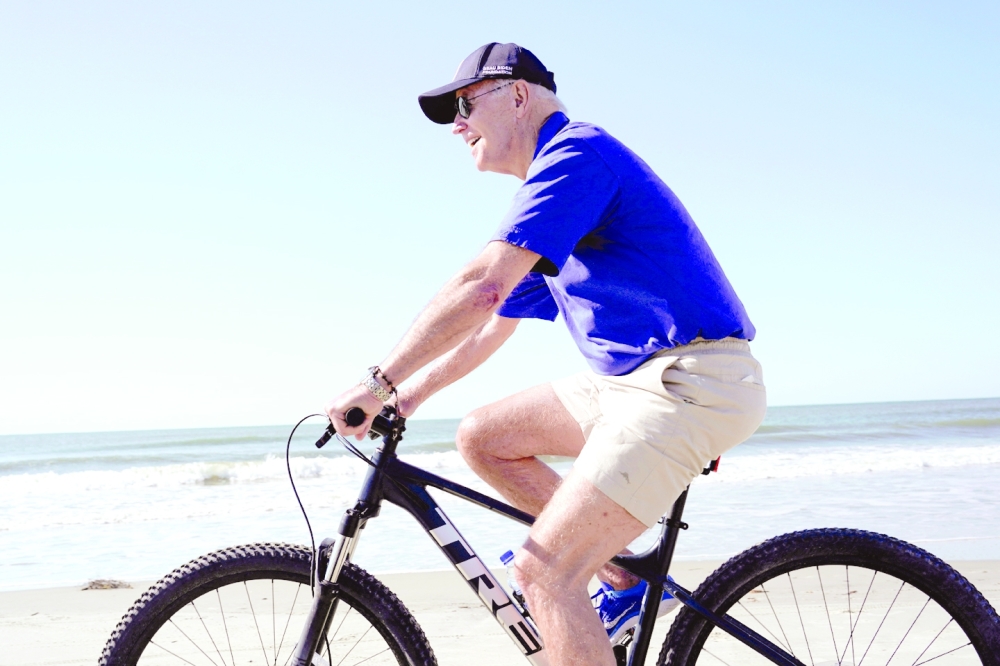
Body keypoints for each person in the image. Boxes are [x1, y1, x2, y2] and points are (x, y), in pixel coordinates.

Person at [326, 42, 767, 666]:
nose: (457, 125)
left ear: (517, 94)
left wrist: (376, 379)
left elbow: (483, 286)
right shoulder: (557, 186)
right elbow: (492, 323)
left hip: (688, 382)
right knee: (483, 436)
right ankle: (622, 574)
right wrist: (405, 397)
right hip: (641, 382)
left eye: (465, 104)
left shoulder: (575, 155)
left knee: (544, 575)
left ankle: (585, 573)